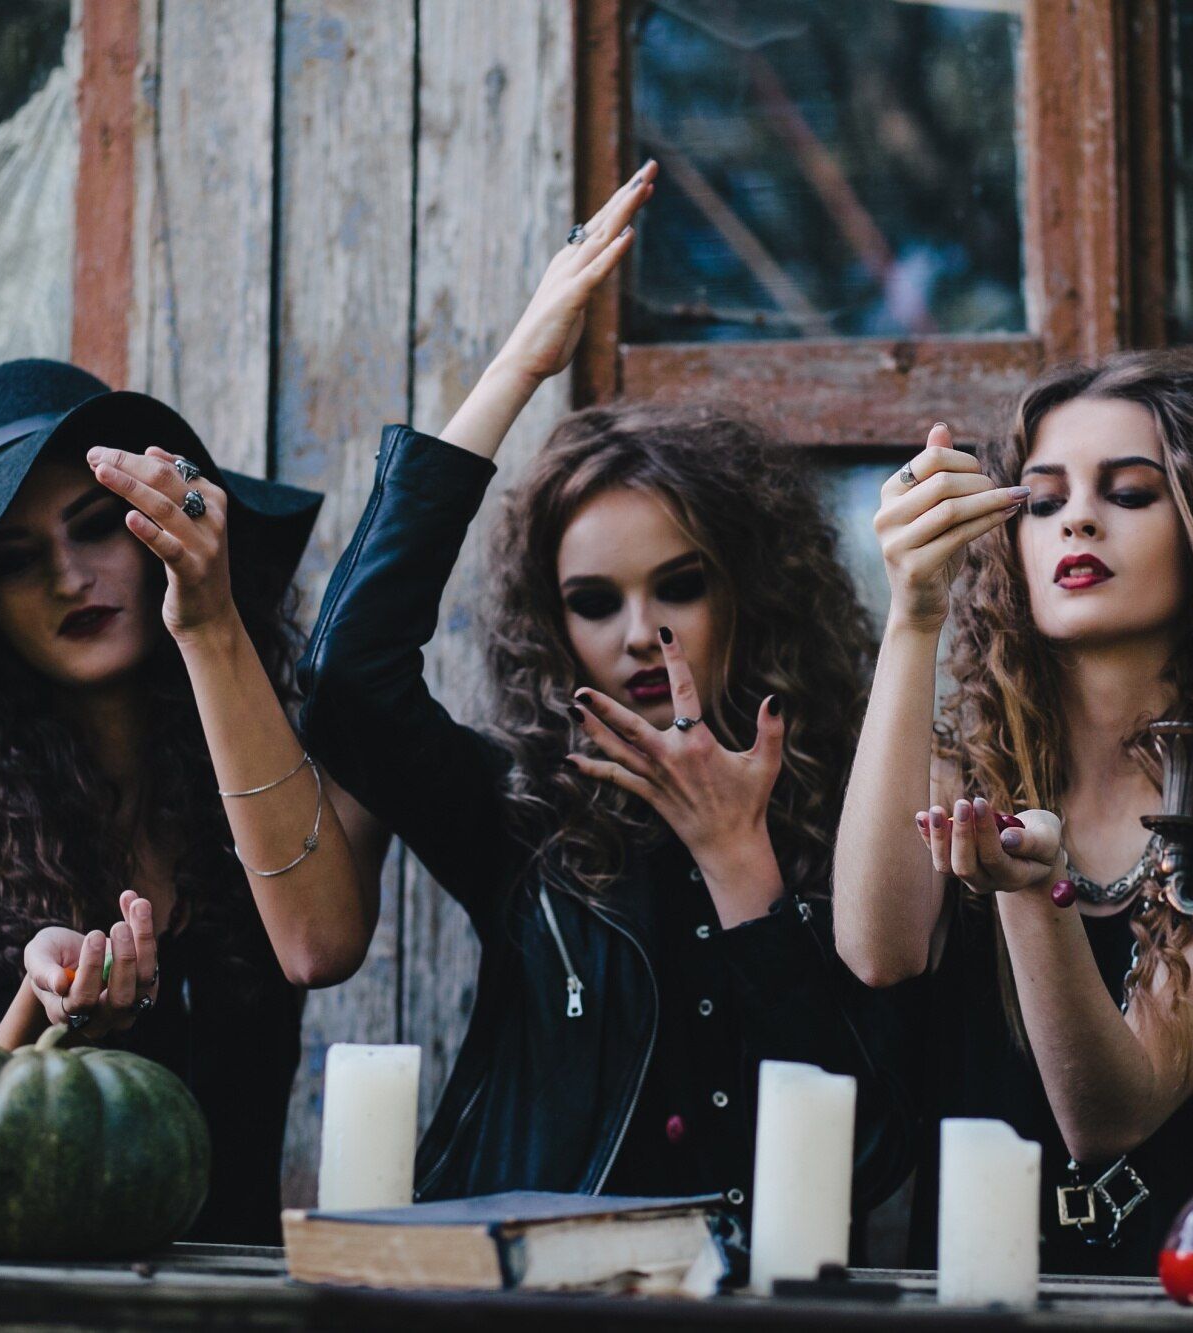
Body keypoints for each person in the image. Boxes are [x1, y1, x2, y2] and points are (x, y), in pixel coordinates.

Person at [298, 162, 916, 1225]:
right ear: (555, 626)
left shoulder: (853, 811)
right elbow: (346, 675)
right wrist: (520, 364)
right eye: (593, 601)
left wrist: (740, 864)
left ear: (749, 593)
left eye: (679, 585)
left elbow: (865, 1154)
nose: (639, 633)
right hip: (521, 1289)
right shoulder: (523, 815)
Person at [0, 359, 384, 1243]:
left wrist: (209, 621)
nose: (68, 576)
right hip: (17, 1301)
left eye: (96, 526)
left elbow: (320, 945)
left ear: (157, 535)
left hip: (244, 1298)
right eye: (15, 560)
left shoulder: (300, 771)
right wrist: (50, 1013)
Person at [834, 353, 1193, 1272]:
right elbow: (878, 951)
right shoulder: (964, 763)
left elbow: (1114, 1111)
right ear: (1007, 541)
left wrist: (1032, 891)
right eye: (1041, 501)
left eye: (1130, 493)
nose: (1076, 518)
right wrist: (913, 612)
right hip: (986, 1298)